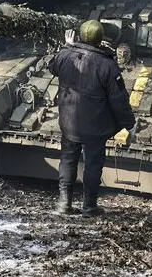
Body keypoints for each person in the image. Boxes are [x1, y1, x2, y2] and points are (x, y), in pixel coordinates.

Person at [48, 20, 136, 216]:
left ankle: (64, 204)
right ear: (101, 40)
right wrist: (129, 124)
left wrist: (66, 46)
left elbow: (52, 67)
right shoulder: (107, 64)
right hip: (95, 126)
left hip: (69, 122)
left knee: (68, 160)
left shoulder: (65, 55)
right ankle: (89, 206)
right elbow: (118, 99)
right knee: (93, 164)